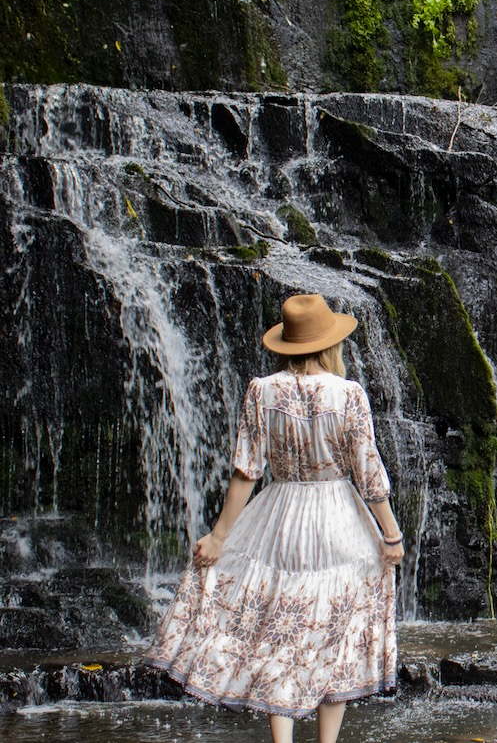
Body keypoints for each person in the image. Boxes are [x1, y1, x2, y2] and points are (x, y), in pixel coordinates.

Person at [148, 294, 404, 743]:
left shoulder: (261, 390)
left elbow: (246, 470)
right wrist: (391, 532)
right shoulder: (348, 394)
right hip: (338, 519)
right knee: (333, 633)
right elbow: (368, 471)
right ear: (329, 344)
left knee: (280, 632)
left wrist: (219, 536)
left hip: (279, 517)